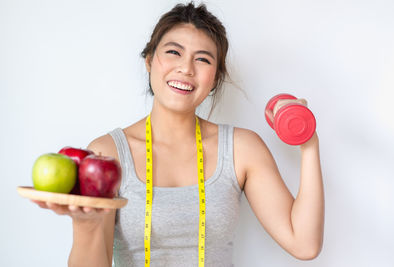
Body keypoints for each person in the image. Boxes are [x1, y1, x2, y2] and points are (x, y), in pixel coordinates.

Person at [33, 2, 324, 267]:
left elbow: (304, 244)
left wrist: (309, 145)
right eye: (173, 52)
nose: (186, 68)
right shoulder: (107, 154)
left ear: (214, 79)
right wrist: (85, 225)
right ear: (149, 61)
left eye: (203, 59)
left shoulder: (241, 149)